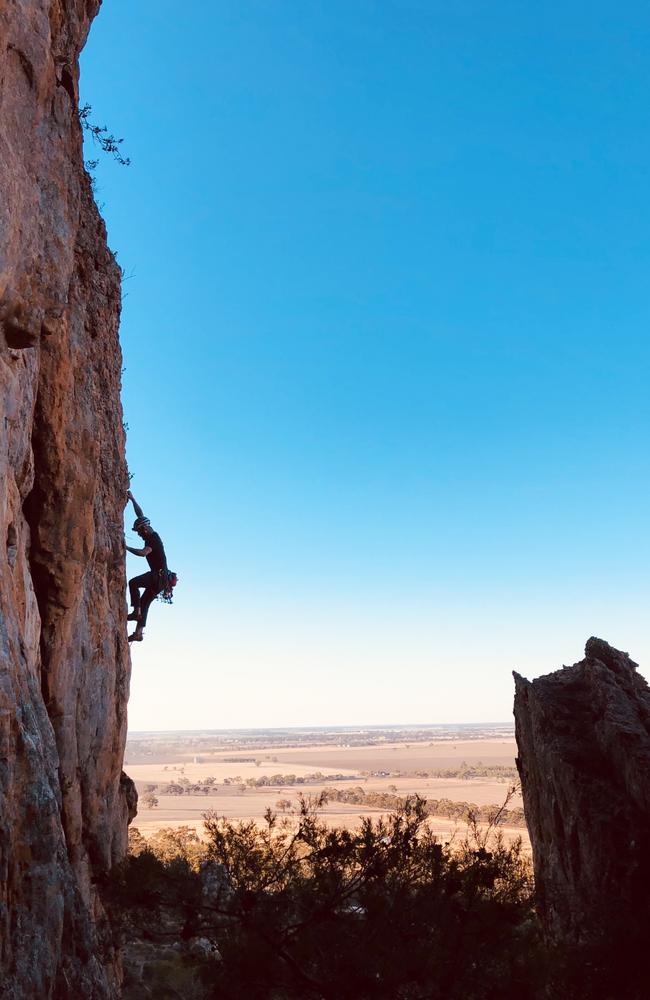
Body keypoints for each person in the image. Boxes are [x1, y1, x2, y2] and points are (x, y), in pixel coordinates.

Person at [125, 490, 168, 643]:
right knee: (144, 602)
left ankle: (136, 612)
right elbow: (140, 515)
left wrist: (127, 548)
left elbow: (144, 553)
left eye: (138, 532)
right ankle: (138, 633)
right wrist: (132, 499)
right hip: (163, 580)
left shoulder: (152, 540)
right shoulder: (152, 534)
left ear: (144, 529)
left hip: (158, 576)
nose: (139, 535)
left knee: (133, 583)